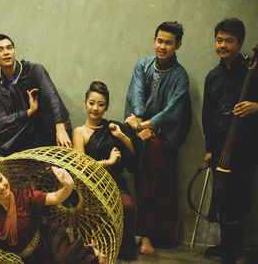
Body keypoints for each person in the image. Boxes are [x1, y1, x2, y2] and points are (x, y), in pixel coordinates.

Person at [124, 21, 191, 254]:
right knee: (142, 182)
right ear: (154, 40)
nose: (162, 46)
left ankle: (155, 234)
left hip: (163, 139)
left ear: (178, 45)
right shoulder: (142, 65)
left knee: (158, 187)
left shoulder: (180, 76)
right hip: (140, 132)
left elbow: (174, 111)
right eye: (160, 41)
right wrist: (138, 125)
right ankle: (143, 234)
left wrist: (144, 125)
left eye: (169, 43)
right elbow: (136, 94)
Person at [0, 163, 107, 264]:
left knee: (62, 259)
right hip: (29, 256)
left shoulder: (24, 195)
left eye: (0, 179)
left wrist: (68, 186)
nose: (1, 187)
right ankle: (82, 250)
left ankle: (89, 251)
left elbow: (56, 197)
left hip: (47, 238)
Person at [202, 18, 258, 264]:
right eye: (219, 40)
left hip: (244, 147)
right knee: (221, 197)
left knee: (239, 197)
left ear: (241, 43)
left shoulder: (252, 71)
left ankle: (232, 250)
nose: (223, 45)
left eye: (229, 41)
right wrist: (207, 149)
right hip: (218, 147)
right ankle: (225, 244)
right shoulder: (212, 76)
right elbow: (207, 115)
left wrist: (256, 106)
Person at [72, 81, 140, 260]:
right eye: (92, 103)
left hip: (115, 182)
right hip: (90, 185)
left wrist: (121, 136)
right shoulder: (79, 132)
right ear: (85, 103)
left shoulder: (113, 127)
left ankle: (125, 251)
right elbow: (81, 167)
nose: (95, 108)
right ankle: (95, 250)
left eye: (101, 105)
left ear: (106, 107)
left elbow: (136, 153)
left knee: (127, 206)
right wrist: (107, 162)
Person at [0, 34, 72, 156]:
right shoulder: (1, 90)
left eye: (9, 48)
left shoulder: (34, 70)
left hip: (50, 126)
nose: (6, 52)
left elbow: (52, 95)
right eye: (0, 50)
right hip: (26, 133)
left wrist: (60, 128)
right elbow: (1, 122)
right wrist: (27, 113)